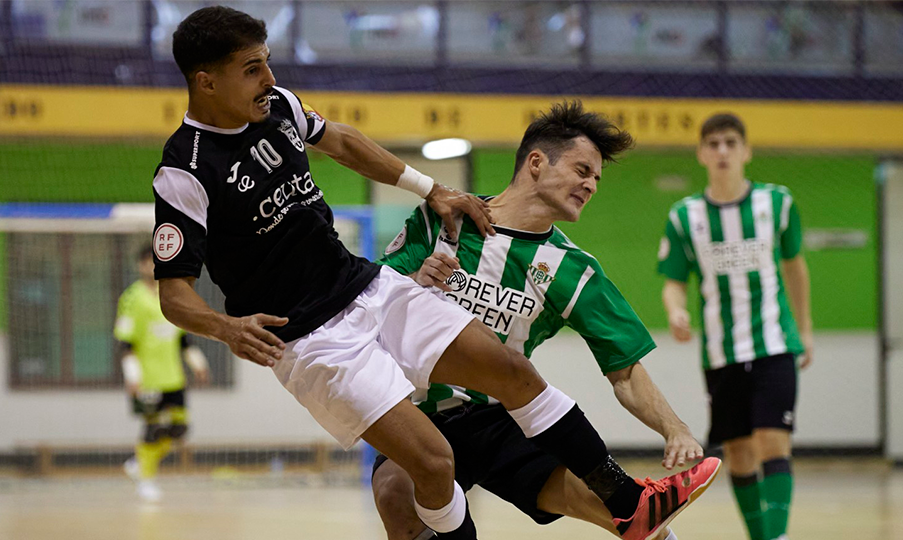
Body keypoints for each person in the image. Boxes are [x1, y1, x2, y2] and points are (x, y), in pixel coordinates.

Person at [151, 7, 709, 539]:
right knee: (434, 465)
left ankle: (629, 505)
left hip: (365, 288)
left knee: (511, 369)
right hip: (314, 340)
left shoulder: (277, 106)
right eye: (252, 69)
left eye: (267, 61)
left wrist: (432, 186)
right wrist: (225, 328)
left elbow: (341, 140)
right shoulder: (185, 172)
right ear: (206, 82)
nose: (269, 77)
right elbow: (174, 295)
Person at [372, 101, 721, 540]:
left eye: (596, 177)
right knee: (393, 494)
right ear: (536, 163)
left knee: (611, 506)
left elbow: (626, 371)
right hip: (417, 412)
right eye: (582, 170)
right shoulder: (445, 216)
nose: (591, 184)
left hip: (499, 416)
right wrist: (414, 279)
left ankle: (645, 518)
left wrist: (675, 428)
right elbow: (373, 293)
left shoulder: (574, 270)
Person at [657, 113, 812, 540]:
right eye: (713, 144)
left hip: (775, 343)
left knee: (773, 440)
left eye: (730, 143)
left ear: (746, 151)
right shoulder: (684, 216)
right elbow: (673, 282)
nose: (722, 151)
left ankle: (776, 537)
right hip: (722, 351)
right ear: (702, 153)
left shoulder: (777, 203)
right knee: (739, 451)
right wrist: (676, 311)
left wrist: (806, 330)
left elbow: (796, 269)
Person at [115, 244, 210, 502]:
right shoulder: (132, 298)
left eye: (155, 261)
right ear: (140, 265)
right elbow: (126, 343)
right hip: (147, 379)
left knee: (179, 429)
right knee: (152, 429)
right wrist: (132, 375)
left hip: (173, 377)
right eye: (146, 261)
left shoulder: (172, 294)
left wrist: (197, 363)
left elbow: (182, 340)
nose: (151, 266)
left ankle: (138, 463)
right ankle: (145, 480)